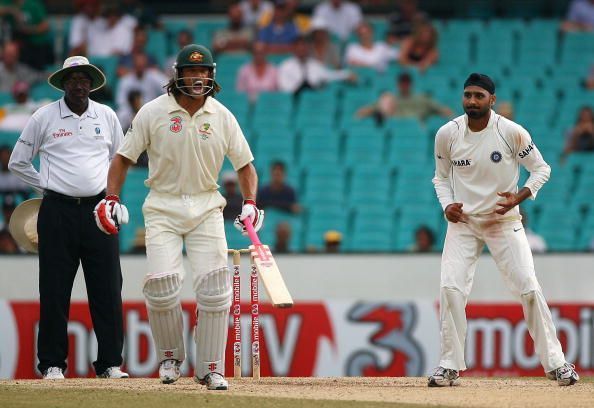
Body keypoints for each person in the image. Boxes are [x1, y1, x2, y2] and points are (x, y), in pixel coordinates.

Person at [95, 44, 264, 390]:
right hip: (163, 206)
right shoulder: (153, 113)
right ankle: (170, 358)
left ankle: (210, 367)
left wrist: (250, 202)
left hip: (206, 206)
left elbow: (246, 166)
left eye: (204, 72)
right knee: (161, 285)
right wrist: (111, 197)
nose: (198, 78)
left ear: (211, 75)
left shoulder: (222, 116)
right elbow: (122, 159)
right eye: (191, 71)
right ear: (179, 75)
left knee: (216, 289)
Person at [429, 73, 579, 387]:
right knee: (450, 288)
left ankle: (556, 363)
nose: (472, 101)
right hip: (464, 224)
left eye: (479, 96)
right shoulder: (447, 134)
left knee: (527, 287)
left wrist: (519, 197)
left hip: (504, 222)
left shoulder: (511, 132)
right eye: (468, 95)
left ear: (492, 100)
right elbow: (441, 178)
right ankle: (449, 365)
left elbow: (542, 168)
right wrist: (447, 206)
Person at [8, 56, 128, 379]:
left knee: (107, 288)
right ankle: (51, 363)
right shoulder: (44, 117)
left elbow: (119, 161)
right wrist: (47, 185)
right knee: (54, 289)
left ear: (92, 83)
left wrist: (113, 198)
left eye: (84, 79)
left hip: (99, 212)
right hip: (57, 211)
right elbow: (17, 162)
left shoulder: (106, 115)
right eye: (72, 79)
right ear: (63, 84)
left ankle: (110, 363)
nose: (79, 84)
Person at [356, 72, 451, 124]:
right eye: (402, 83)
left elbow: (442, 110)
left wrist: (455, 123)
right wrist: (358, 118)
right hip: (396, 129)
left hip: (416, 131)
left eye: (407, 83)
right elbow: (367, 110)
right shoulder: (390, 99)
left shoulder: (422, 98)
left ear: (411, 84)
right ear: (398, 84)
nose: (404, 85)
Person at [278, 35, 356, 95]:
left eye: (304, 46)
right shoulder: (285, 66)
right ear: (293, 48)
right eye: (298, 46)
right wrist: (300, 89)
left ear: (307, 48)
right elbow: (284, 87)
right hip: (293, 99)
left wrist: (346, 74)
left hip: (312, 99)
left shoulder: (315, 65)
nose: (301, 49)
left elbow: (330, 75)